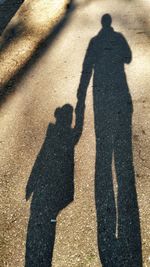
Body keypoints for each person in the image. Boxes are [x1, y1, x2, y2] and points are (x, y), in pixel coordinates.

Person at [76, 14, 142, 266]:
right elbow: (128, 58)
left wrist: (81, 96)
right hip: (119, 91)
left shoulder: (94, 41)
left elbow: (86, 68)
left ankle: (105, 182)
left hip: (101, 97)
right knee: (120, 149)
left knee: (104, 144)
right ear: (110, 23)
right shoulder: (119, 37)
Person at [25, 104, 84, 267]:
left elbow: (41, 155)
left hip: (54, 190)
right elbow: (77, 132)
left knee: (39, 221)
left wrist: (31, 184)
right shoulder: (64, 134)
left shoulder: (53, 132)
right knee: (43, 223)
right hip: (61, 189)